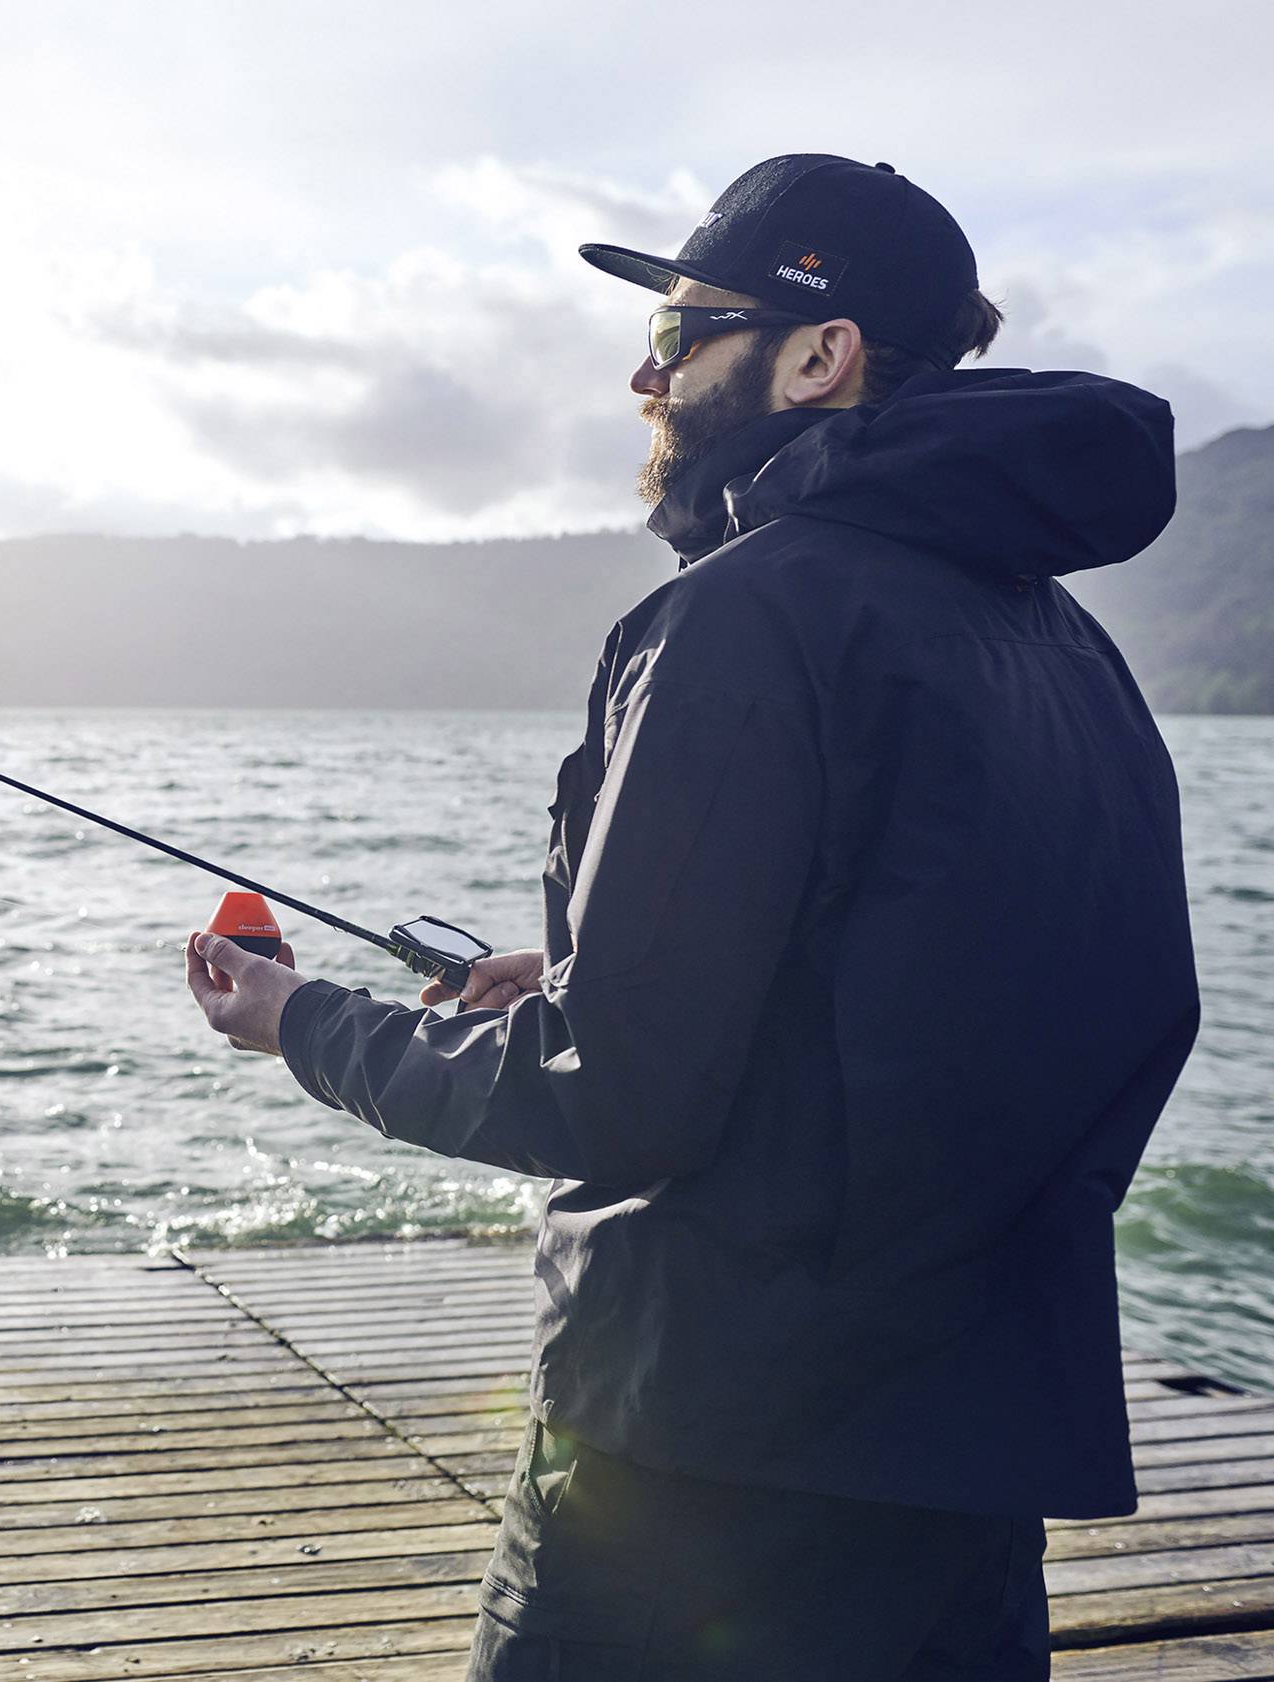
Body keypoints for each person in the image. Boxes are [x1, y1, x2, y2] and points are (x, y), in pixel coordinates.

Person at [182, 154, 1200, 1680]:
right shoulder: (1065, 653)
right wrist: (598, 964)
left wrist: (307, 1024)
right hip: (968, 1480)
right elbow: (1013, 1004)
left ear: (818, 353)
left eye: (682, 330)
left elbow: (624, 1090)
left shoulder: (742, 614)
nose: (642, 371)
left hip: (697, 1478)